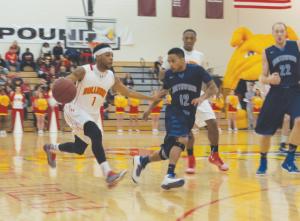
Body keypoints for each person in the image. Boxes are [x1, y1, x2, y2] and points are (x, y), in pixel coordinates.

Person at [43, 43, 166, 188]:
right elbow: (64, 83)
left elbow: (128, 93)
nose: (111, 58)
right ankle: (108, 173)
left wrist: (152, 98)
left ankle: (51, 148)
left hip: (92, 114)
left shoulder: (111, 77)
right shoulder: (83, 71)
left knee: (79, 148)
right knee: (96, 134)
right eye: (107, 55)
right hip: (75, 110)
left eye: (112, 56)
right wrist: (55, 94)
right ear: (98, 57)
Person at [133, 48, 217, 189]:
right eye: (169, 61)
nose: (170, 64)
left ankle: (142, 161)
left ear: (182, 60)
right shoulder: (169, 75)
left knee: (167, 152)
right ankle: (169, 175)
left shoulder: (196, 70)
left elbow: (213, 87)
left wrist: (202, 98)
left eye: (173, 61)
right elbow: (162, 93)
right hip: (174, 112)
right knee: (184, 138)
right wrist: (149, 108)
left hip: (189, 115)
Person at [157, 29, 228, 173]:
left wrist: (214, 90)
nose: (189, 40)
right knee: (186, 130)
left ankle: (214, 155)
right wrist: (176, 68)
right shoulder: (174, 55)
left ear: (195, 39)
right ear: (182, 38)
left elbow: (205, 76)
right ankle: (191, 159)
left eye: (191, 38)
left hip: (197, 94)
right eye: (186, 37)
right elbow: (161, 75)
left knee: (213, 122)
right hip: (179, 94)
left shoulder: (200, 55)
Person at [256, 22, 300, 175]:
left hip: (295, 91)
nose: (279, 34)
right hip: (276, 93)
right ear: (273, 34)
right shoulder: (267, 52)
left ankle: (289, 159)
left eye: (282, 31)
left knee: (299, 120)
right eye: (277, 31)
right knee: (266, 133)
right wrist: (269, 80)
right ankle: (263, 161)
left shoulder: (296, 46)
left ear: (285, 33)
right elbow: (261, 76)